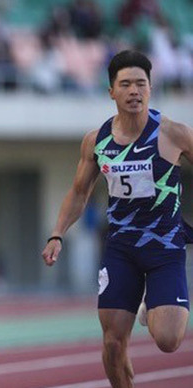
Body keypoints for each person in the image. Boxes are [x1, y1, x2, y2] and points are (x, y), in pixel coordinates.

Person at [42, 50, 190, 388]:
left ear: (151, 89)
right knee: (112, 342)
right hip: (121, 248)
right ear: (111, 91)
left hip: (165, 247)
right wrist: (57, 234)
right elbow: (79, 193)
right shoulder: (97, 141)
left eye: (141, 84)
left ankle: (151, 301)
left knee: (168, 339)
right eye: (126, 84)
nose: (134, 91)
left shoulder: (174, 134)